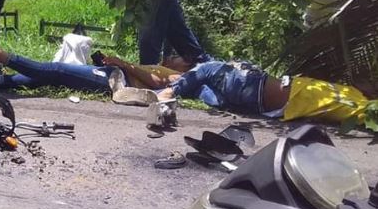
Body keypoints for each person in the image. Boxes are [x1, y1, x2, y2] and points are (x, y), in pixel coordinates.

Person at [0, 24, 191, 95]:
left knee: (58, 70)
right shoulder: (162, 66)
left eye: (178, 57)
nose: (172, 56)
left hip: (116, 81)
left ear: (187, 66)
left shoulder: (182, 76)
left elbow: (159, 83)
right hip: (115, 75)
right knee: (52, 77)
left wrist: (123, 64)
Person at [153, 60, 372, 127]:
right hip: (260, 100)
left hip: (257, 90)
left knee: (206, 71)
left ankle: (169, 92)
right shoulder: (351, 93)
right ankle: (168, 90)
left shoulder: (361, 105)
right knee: (203, 88)